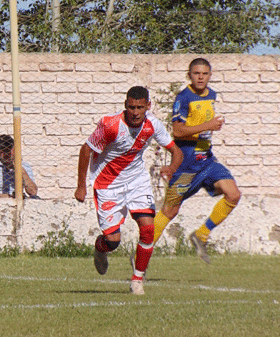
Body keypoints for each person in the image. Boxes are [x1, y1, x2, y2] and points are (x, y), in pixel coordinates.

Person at [74, 86, 183, 295]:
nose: (135, 112)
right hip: (108, 186)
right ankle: (100, 249)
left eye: (140, 107)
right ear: (125, 105)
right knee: (113, 241)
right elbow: (86, 149)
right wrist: (81, 186)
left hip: (136, 182)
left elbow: (176, 152)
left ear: (148, 106)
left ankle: (137, 280)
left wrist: (171, 169)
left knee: (148, 229)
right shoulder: (110, 125)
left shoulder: (153, 125)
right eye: (131, 107)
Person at [151, 58, 241, 264]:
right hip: (186, 164)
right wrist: (207, 125)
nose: (200, 77)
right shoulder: (184, 97)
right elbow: (177, 130)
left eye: (205, 73)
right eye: (196, 73)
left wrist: (209, 128)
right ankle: (140, 256)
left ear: (210, 75)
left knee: (233, 194)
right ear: (189, 75)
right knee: (169, 211)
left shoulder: (212, 94)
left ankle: (201, 235)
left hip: (207, 161)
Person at [0, 134, 38, 198]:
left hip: (20, 201)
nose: (4, 154)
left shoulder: (24, 165)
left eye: (7, 150)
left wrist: (20, 170)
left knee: (35, 198)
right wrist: (9, 197)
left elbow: (33, 192)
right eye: (2, 151)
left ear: (14, 149)